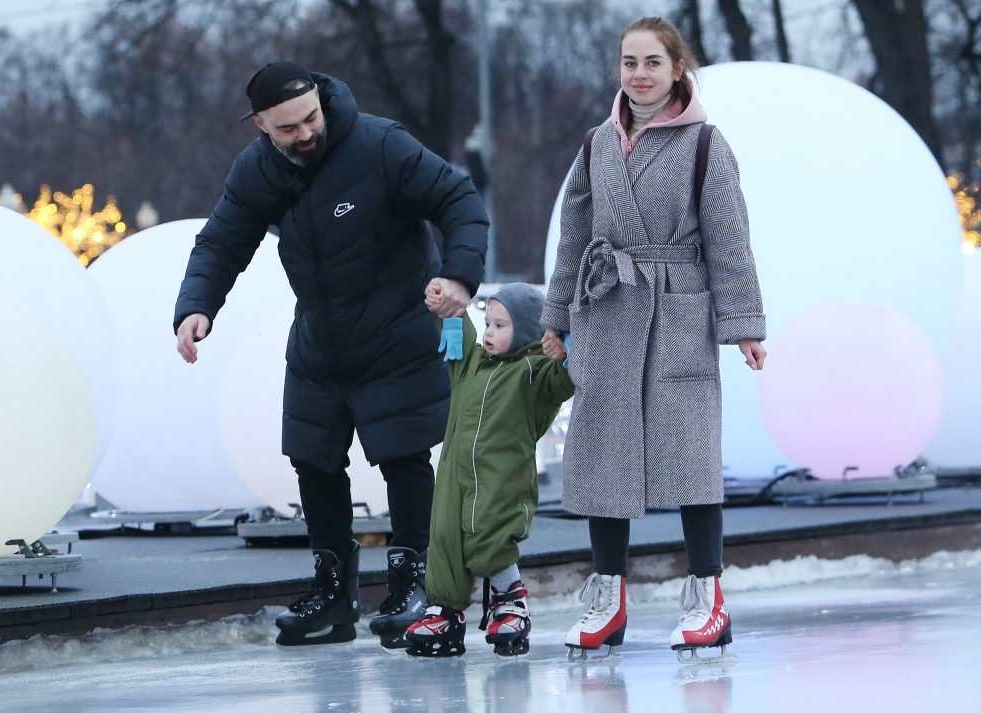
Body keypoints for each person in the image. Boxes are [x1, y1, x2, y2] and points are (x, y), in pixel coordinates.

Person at [173, 61, 489, 648]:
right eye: (288, 128)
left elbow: (458, 198)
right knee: (312, 458)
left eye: (310, 119)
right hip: (321, 338)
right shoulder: (257, 170)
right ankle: (334, 593)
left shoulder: (380, 145)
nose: (305, 134)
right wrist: (197, 307)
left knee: (403, 454)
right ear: (262, 126)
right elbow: (221, 241)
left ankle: (414, 582)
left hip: (398, 328)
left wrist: (460, 276)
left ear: (322, 101)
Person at [540, 17, 767, 660]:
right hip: (608, 312)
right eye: (628, 62)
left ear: (676, 69)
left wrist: (743, 325)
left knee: (690, 459)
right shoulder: (596, 144)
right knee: (602, 458)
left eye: (652, 63)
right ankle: (606, 597)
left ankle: (707, 598)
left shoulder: (704, 144)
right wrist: (556, 318)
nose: (639, 74)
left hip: (678, 312)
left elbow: (728, 237)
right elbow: (575, 238)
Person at [403, 282, 574, 657]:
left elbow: (563, 380)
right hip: (454, 474)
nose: (490, 332)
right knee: (445, 540)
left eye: (501, 325)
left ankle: (511, 600)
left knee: (490, 536)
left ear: (528, 331)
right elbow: (458, 338)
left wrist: (564, 351)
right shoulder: (473, 364)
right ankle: (445, 611)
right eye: (489, 324)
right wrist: (447, 308)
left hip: (502, 478)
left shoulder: (534, 372)